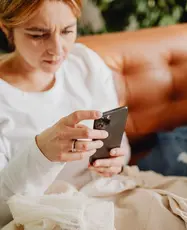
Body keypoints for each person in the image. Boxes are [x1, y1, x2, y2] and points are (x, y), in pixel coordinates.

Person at [0, 0, 131, 227]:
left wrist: (115, 161)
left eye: (68, 31)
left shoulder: (85, 63)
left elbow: (121, 147)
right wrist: (41, 154)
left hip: (109, 198)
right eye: (38, 35)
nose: (58, 49)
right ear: (6, 29)